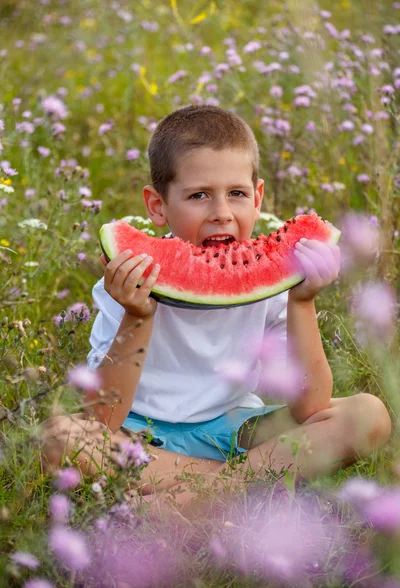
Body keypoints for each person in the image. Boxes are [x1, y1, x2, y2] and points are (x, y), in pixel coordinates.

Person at [39, 105, 391, 508]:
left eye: (237, 194)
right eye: (199, 195)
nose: (221, 213)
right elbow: (103, 418)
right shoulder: (127, 281)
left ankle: (196, 497)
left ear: (257, 197)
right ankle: (234, 491)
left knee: (369, 414)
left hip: (234, 433)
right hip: (141, 439)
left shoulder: (274, 285)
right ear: (157, 206)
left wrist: (302, 300)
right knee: (60, 438)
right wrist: (138, 314)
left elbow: (309, 405)